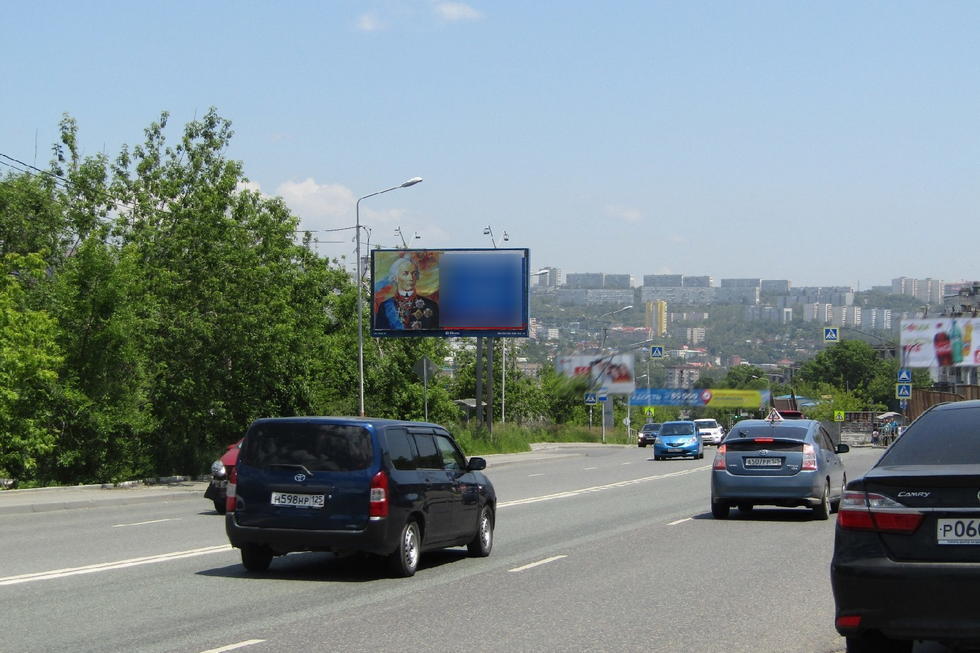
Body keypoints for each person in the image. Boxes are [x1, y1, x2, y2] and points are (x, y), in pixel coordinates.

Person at [374, 257, 439, 330]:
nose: (411, 278)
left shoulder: (431, 306)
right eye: (405, 273)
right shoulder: (385, 306)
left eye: (414, 273)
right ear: (395, 278)